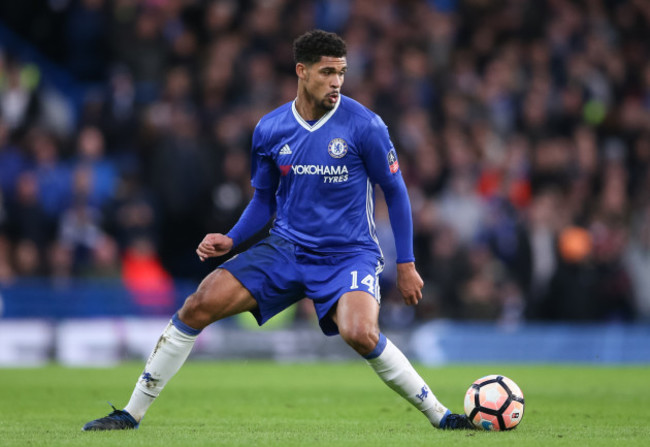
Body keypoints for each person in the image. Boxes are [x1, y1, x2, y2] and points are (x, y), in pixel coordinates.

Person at [82, 29, 473, 432]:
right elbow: (264, 200)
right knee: (198, 304)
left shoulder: (365, 126)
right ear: (301, 71)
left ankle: (441, 417)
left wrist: (406, 263)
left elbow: (396, 191)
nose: (337, 82)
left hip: (348, 255)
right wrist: (232, 239)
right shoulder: (270, 130)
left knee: (359, 332)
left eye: (341, 72)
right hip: (285, 249)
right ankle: (130, 414)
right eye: (327, 72)